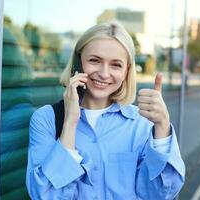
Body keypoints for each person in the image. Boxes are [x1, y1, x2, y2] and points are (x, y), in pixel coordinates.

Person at [26, 21, 185, 200]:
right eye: (94, 60)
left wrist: (162, 126)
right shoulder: (46, 119)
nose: (103, 73)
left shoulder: (143, 124)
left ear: (127, 71)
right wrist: (69, 123)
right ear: (77, 63)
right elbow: (43, 195)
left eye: (116, 65)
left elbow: (161, 194)